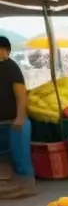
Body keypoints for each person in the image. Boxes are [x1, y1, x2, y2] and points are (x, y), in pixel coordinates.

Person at [0, 35, 31, 178]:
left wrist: (20, 117)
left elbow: (21, 94)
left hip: (15, 120)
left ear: (5, 50)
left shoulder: (11, 67)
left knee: (20, 158)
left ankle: (26, 181)